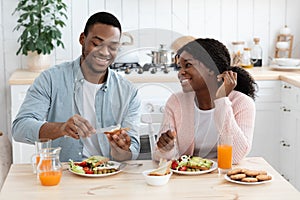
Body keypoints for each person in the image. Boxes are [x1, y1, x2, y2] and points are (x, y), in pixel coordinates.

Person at [12, 12, 141, 162]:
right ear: (82, 39)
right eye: (97, 43)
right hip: (63, 174)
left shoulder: (128, 92)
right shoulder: (51, 79)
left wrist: (121, 151)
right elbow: (20, 128)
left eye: (112, 47)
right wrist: (61, 128)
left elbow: (133, 151)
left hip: (109, 173)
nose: (105, 52)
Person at [154, 38, 257, 164]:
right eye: (179, 67)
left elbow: (236, 157)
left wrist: (221, 101)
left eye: (188, 65)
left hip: (225, 176)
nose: (180, 73)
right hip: (187, 176)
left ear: (211, 69)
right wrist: (166, 149)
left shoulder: (242, 103)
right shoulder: (176, 102)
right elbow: (158, 156)